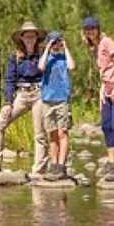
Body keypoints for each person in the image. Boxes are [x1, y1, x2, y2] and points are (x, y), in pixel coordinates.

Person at [0, 21, 48, 175]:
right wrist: (8, 103)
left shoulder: (44, 54)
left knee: (40, 132)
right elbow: (10, 80)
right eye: (27, 36)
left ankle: (39, 169)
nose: (30, 38)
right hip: (22, 94)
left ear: (37, 37)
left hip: (39, 94)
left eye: (33, 35)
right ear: (22, 38)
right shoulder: (16, 57)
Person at [83, 17, 114, 181]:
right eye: (87, 29)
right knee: (105, 126)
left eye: (92, 28)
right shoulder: (96, 47)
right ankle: (111, 162)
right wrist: (101, 92)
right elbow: (102, 72)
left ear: (98, 28)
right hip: (107, 90)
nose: (90, 31)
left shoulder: (107, 41)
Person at [39, 31, 75, 181]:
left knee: (63, 132)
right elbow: (40, 67)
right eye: (53, 42)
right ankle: (54, 163)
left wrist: (65, 47)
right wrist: (47, 48)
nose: (55, 45)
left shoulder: (63, 58)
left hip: (62, 100)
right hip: (47, 100)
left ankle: (61, 164)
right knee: (52, 134)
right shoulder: (46, 59)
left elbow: (72, 67)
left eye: (57, 42)